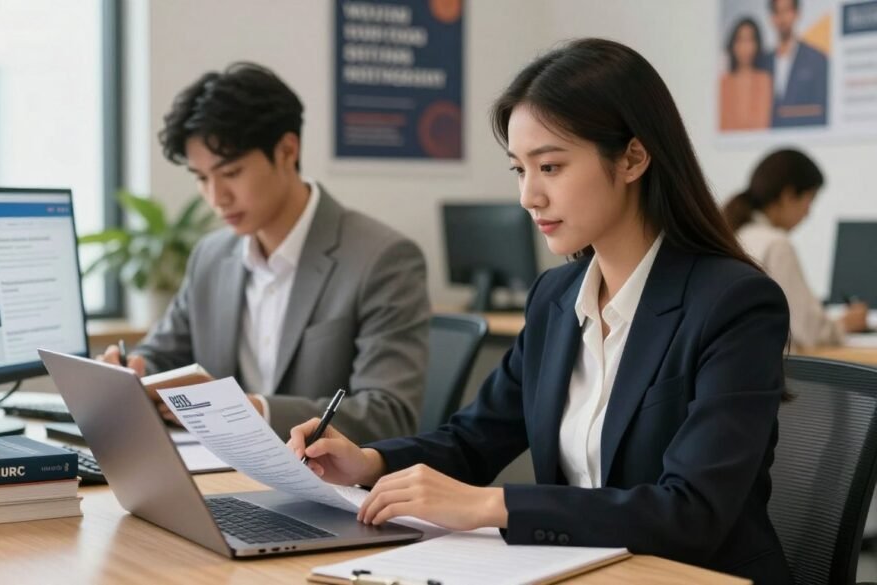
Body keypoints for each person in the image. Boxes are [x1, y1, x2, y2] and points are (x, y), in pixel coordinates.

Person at [288, 39, 792, 584]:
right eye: (519, 171)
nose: (529, 196)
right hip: (581, 572)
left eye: (549, 166)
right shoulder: (557, 298)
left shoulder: (734, 303)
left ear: (633, 158)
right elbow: (473, 439)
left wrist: (494, 506)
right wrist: (370, 461)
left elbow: (691, 512)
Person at [96, 63, 430, 444]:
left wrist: (251, 409)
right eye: (202, 178)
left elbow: (388, 413)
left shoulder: (383, 258)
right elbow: (162, 354)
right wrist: (136, 370)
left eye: (232, 172)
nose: (216, 197)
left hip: (328, 487)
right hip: (223, 475)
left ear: (287, 150)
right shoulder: (211, 256)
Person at [725, 148, 868, 348]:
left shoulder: (734, 234)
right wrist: (844, 324)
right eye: (809, 201)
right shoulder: (775, 244)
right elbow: (808, 332)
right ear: (788, 195)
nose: (808, 214)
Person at [762, 0, 828, 127]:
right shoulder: (763, 62)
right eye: (777, 12)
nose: (782, 18)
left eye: (787, 11)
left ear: (797, 14)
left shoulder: (816, 60)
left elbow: (821, 110)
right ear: (771, 17)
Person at [719, 17, 772, 131]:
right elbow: (724, 125)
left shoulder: (764, 80)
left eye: (750, 40)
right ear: (733, 44)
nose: (745, 47)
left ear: (757, 44)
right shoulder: (723, 82)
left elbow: (762, 124)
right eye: (740, 40)